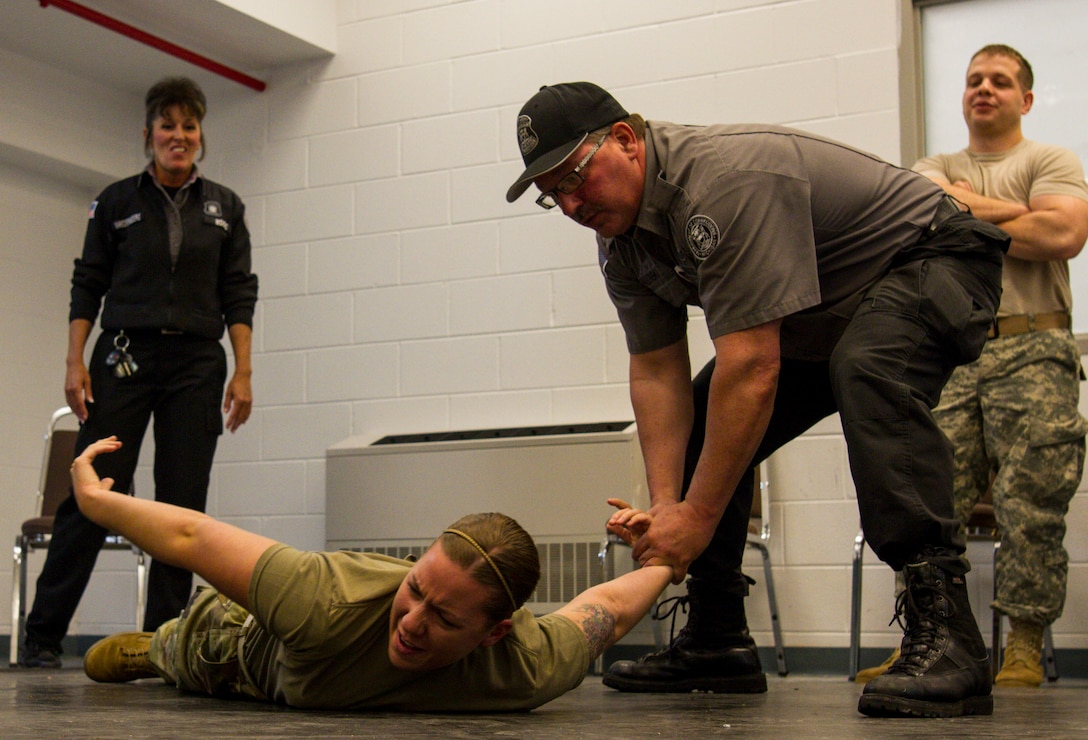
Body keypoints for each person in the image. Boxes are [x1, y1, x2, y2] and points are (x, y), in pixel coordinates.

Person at [506, 82, 1010, 718]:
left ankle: (952, 642)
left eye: (575, 176)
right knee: (701, 411)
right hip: (825, 313)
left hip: (937, 256)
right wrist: (668, 511)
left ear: (627, 141)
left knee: (870, 373)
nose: (572, 203)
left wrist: (696, 517)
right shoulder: (621, 242)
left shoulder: (721, 185)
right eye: (554, 196)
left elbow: (752, 367)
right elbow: (657, 370)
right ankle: (717, 641)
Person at [70, 437, 674, 711]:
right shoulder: (325, 597)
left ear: (494, 632)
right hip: (231, 644)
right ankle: (156, 649)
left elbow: (609, 610)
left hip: (301, 657)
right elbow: (192, 535)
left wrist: (666, 558)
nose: (411, 622)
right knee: (129, 658)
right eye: (415, 589)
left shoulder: (527, 665)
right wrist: (98, 505)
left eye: (443, 617)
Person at [856, 44, 1088, 687]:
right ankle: (928, 642)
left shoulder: (1049, 160)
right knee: (925, 497)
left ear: (1026, 99)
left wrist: (966, 209)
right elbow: (921, 216)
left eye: (1001, 81)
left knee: (1030, 503)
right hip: (955, 355)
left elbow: (1066, 235)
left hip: (1034, 350)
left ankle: (1022, 649)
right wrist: (1020, 214)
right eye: (974, 80)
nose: (984, 89)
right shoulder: (933, 166)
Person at [20, 76, 259, 669]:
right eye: (167, 125)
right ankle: (43, 637)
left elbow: (239, 293)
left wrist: (244, 371)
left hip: (198, 363)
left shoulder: (226, 207)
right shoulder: (115, 202)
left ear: (200, 136)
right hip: (123, 355)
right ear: (149, 134)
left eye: (189, 126)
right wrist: (75, 361)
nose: (178, 136)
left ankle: (164, 642)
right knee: (95, 493)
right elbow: (88, 284)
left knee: (182, 506)